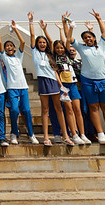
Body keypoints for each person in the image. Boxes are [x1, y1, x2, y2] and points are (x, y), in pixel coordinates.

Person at [72, 10, 105, 145]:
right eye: (85, 38)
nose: (88, 39)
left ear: (94, 38)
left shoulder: (101, 46)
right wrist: (68, 25)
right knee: (93, 107)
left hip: (103, 80)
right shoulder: (81, 48)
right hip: (88, 81)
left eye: (90, 37)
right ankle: (100, 134)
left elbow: (104, 34)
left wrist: (99, 19)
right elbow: (69, 38)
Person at [29, 12, 74, 146]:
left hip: (53, 82)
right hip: (43, 82)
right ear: (37, 44)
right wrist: (31, 22)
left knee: (59, 108)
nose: (42, 44)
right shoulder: (35, 52)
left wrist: (45, 29)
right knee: (45, 110)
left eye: (44, 42)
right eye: (40, 42)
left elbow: (51, 42)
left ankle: (65, 135)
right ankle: (46, 137)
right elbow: (32, 36)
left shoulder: (50, 54)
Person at [0, 20, 38, 145]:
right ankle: (14, 132)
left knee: (26, 111)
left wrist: (15, 29)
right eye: (7, 45)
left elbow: (23, 42)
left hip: (23, 88)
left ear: (14, 48)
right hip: (12, 88)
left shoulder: (18, 56)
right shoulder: (4, 57)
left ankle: (31, 134)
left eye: (11, 45)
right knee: (14, 110)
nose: (9, 47)